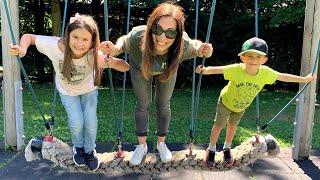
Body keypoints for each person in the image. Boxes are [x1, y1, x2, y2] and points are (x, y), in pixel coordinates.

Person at [9, 13, 130, 171]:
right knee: (76, 121)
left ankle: (89, 150)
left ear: (92, 41)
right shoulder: (55, 46)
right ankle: (78, 148)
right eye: (75, 37)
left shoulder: (95, 55)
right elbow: (29, 37)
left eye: (85, 39)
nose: (79, 44)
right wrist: (22, 49)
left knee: (91, 122)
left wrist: (111, 60)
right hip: (67, 91)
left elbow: (125, 67)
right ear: (68, 36)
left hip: (89, 89)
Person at [100, 2, 213, 165]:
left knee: (163, 104)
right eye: (157, 29)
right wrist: (115, 49)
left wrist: (204, 49)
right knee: (143, 104)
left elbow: (195, 46)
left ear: (178, 34)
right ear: (151, 26)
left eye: (170, 32)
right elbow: (123, 43)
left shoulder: (182, 45)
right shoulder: (139, 36)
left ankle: (161, 143)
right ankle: (142, 145)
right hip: (141, 68)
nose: (162, 38)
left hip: (167, 70)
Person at [195, 37, 317, 168]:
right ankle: (212, 149)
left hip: (241, 106)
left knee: (232, 126)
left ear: (265, 60)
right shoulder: (237, 69)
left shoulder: (265, 73)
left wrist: (304, 79)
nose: (254, 60)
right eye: (250, 56)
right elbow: (219, 70)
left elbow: (283, 76)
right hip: (226, 101)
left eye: (258, 57)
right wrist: (204, 70)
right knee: (219, 125)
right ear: (242, 57)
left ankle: (227, 148)